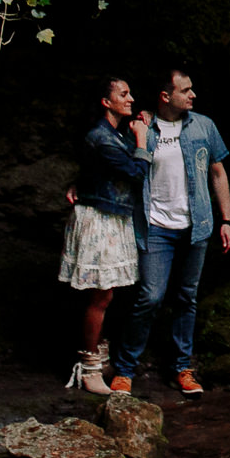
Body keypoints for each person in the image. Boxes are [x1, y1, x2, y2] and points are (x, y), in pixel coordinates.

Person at [111, 69, 230, 397]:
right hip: (155, 227)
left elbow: (218, 173)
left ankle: (182, 368)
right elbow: (118, 168)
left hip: (197, 225)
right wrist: (81, 186)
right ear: (167, 96)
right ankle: (124, 370)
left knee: (186, 296)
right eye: (186, 90)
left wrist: (227, 219)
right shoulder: (142, 127)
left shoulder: (204, 126)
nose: (193, 95)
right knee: (150, 296)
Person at [61, 77, 151, 395]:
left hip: (111, 216)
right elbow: (136, 172)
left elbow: (92, 171)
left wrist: (139, 129)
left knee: (106, 294)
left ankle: (97, 354)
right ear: (106, 101)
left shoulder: (113, 133)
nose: (131, 98)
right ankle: (88, 368)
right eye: (123, 94)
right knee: (100, 295)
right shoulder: (102, 136)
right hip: (99, 219)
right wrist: (141, 139)